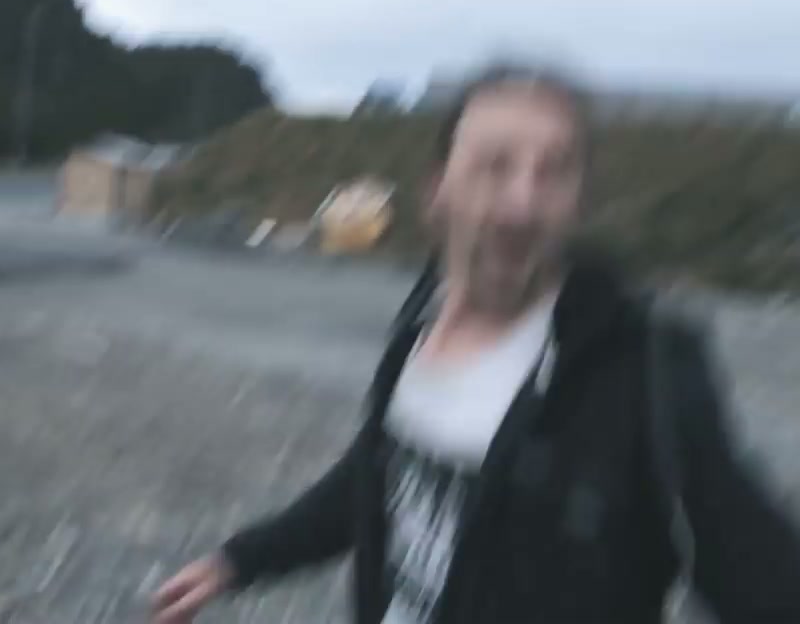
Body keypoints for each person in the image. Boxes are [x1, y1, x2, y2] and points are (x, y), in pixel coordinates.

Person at [150, 63, 800, 624]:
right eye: (494, 167)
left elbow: (758, 572)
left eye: (554, 173)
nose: (522, 204)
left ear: (577, 201)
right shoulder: (422, 316)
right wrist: (242, 560)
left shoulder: (643, 369)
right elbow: (378, 476)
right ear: (438, 192)